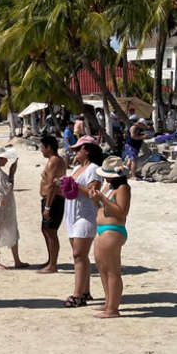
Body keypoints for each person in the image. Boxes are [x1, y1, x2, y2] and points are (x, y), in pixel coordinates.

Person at [62, 136, 103, 307]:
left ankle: (78, 295)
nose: (75, 152)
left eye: (78, 149)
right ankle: (85, 291)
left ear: (86, 150)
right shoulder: (77, 168)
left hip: (85, 215)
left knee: (78, 255)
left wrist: (74, 185)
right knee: (80, 255)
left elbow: (94, 192)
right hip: (72, 214)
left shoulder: (93, 169)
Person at [88, 156, 131, 318]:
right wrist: (96, 200)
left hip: (113, 230)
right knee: (102, 268)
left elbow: (121, 211)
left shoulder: (123, 189)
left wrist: (102, 199)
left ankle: (113, 309)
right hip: (103, 229)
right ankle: (109, 302)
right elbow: (103, 208)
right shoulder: (109, 187)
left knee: (112, 270)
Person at [0, 147, 27, 269]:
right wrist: (12, 174)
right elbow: (8, 188)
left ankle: (16, 260)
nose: (6, 160)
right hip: (0, 203)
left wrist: (11, 173)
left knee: (11, 228)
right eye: (5, 158)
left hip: (3, 203)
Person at [38, 135, 67, 273]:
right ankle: (51, 260)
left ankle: (53, 264)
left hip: (53, 200)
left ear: (48, 147)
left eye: (42, 147)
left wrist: (47, 206)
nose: (41, 150)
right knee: (46, 230)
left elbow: (51, 185)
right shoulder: (54, 160)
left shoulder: (53, 161)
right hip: (51, 199)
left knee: (50, 231)